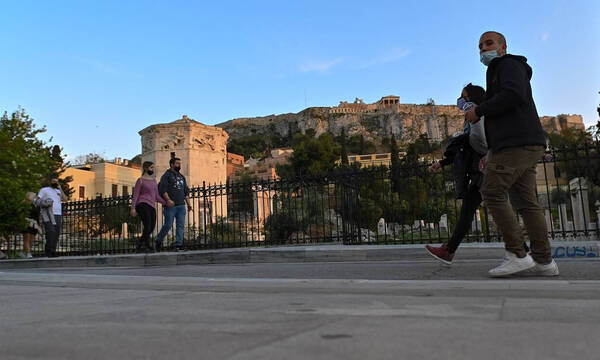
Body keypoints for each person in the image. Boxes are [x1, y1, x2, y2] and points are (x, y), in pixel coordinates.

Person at [465, 31, 558, 277]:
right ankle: (544, 261)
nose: (483, 49)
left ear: (503, 47)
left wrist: (480, 109)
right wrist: (493, 148)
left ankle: (517, 254)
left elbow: (513, 95)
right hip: (523, 142)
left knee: (492, 192)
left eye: (489, 43)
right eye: (480, 46)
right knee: (527, 204)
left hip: (516, 143)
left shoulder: (506, 65)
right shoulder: (502, 68)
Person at [425, 84, 487, 264]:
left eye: (464, 97)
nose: (461, 102)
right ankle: (449, 251)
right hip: (477, 174)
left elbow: (482, 142)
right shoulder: (470, 119)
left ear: (472, 99)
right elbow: (466, 149)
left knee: (501, 211)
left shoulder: (480, 115)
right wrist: (442, 163)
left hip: (486, 171)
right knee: (467, 212)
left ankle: (523, 252)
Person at [131, 161, 171, 252]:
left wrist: (166, 203)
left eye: (153, 168)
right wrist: (133, 208)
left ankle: (140, 243)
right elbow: (136, 195)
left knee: (152, 226)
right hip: (142, 204)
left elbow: (156, 196)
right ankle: (146, 245)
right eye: (151, 168)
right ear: (145, 168)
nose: (153, 169)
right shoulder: (140, 180)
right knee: (147, 225)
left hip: (151, 206)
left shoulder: (153, 181)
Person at [155, 157, 192, 251]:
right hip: (170, 206)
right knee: (168, 224)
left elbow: (185, 192)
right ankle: (158, 240)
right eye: (177, 163)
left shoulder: (182, 177)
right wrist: (168, 200)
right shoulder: (166, 176)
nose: (179, 165)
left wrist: (188, 204)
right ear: (172, 164)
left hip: (181, 206)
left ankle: (179, 244)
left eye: (180, 163)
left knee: (180, 225)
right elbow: (163, 189)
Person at [38, 176, 67, 257]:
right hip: (48, 213)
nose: (55, 183)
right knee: (50, 232)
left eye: (57, 181)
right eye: (54, 181)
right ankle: (48, 251)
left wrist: (60, 188)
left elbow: (65, 199)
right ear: (50, 182)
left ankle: (53, 250)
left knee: (56, 233)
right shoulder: (44, 190)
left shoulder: (58, 191)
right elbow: (38, 200)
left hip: (58, 214)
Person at [20, 192, 42, 258]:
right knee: (27, 238)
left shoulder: (35, 205)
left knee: (31, 240)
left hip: (34, 224)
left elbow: (38, 215)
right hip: (26, 222)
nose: (35, 198)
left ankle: (24, 252)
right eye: (34, 196)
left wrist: (39, 225)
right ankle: (28, 253)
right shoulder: (24, 204)